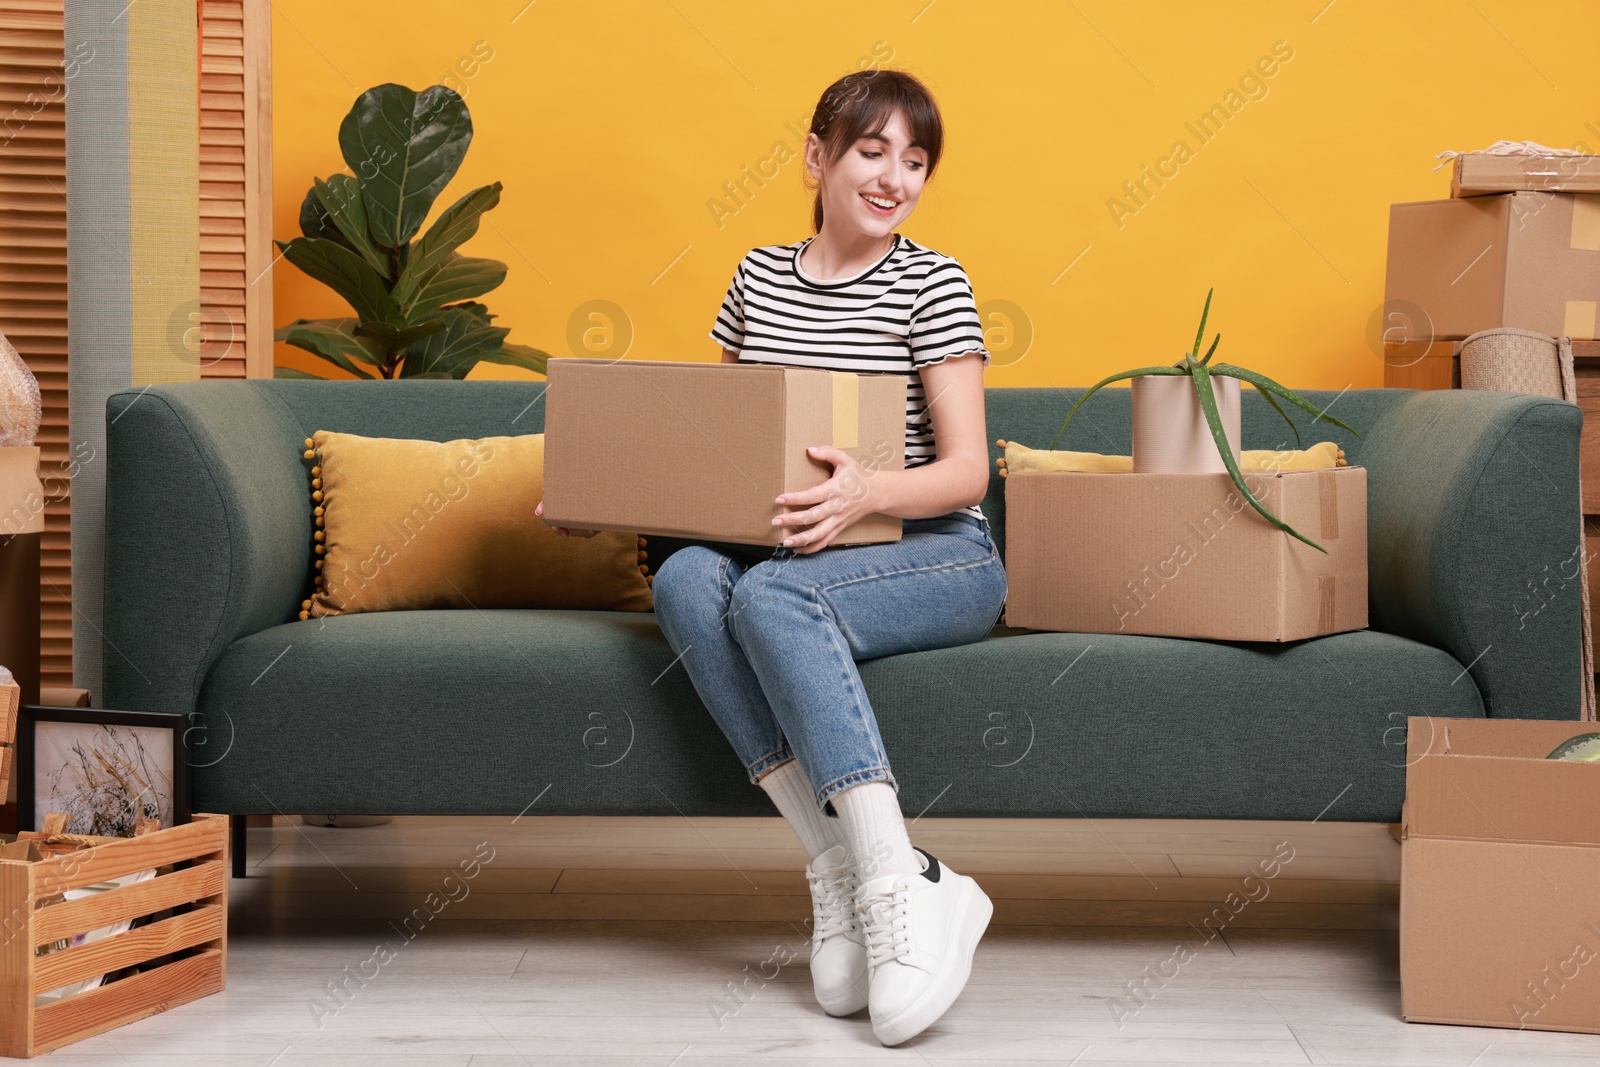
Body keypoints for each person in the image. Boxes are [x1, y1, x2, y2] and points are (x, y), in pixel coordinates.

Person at [536, 68, 1005, 1046]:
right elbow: (719, 452)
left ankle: (899, 881)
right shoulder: (755, 277)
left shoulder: (932, 279)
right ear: (816, 157)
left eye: (914, 161)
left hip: (937, 553)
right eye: (872, 150)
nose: (894, 178)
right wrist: (607, 496)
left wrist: (866, 487)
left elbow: (965, 474)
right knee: (685, 576)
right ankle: (837, 869)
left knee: (776, 601)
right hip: (802, 552)